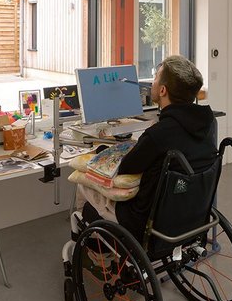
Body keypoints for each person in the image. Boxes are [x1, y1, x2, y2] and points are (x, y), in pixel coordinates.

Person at [80, 55, 218, 241]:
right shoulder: (208, 123)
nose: (151, 83)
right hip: (190, 215)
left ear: (162, 90)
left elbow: (126, 167)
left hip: (145, 222)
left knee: (83, 182)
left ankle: (91, 243)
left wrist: (103, 152)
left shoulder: (159, 134)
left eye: (155, 78)